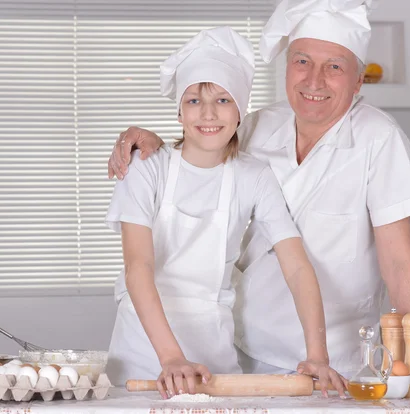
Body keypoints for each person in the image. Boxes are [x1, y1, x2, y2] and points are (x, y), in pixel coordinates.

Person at [106, 0, 410, 397]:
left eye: (334, 66)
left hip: (331, 364)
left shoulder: (379, 140)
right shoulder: (256, 127)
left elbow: (399, 260)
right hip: (239, 354)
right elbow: (201, 145)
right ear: (286, 67)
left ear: (358, 82)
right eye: (302, 61)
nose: (314, 80)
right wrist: (151, 146)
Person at [104, 26, 348, 399]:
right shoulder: (146, 168)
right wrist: (171, 359)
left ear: (240, 110)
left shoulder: (254, 177)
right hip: (143, 355)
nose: (208, 114)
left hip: (214, 359)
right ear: (179, 111)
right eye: (194, 101)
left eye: (222, 100)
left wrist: (317, 355)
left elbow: (297, 267)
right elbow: (138, 267)